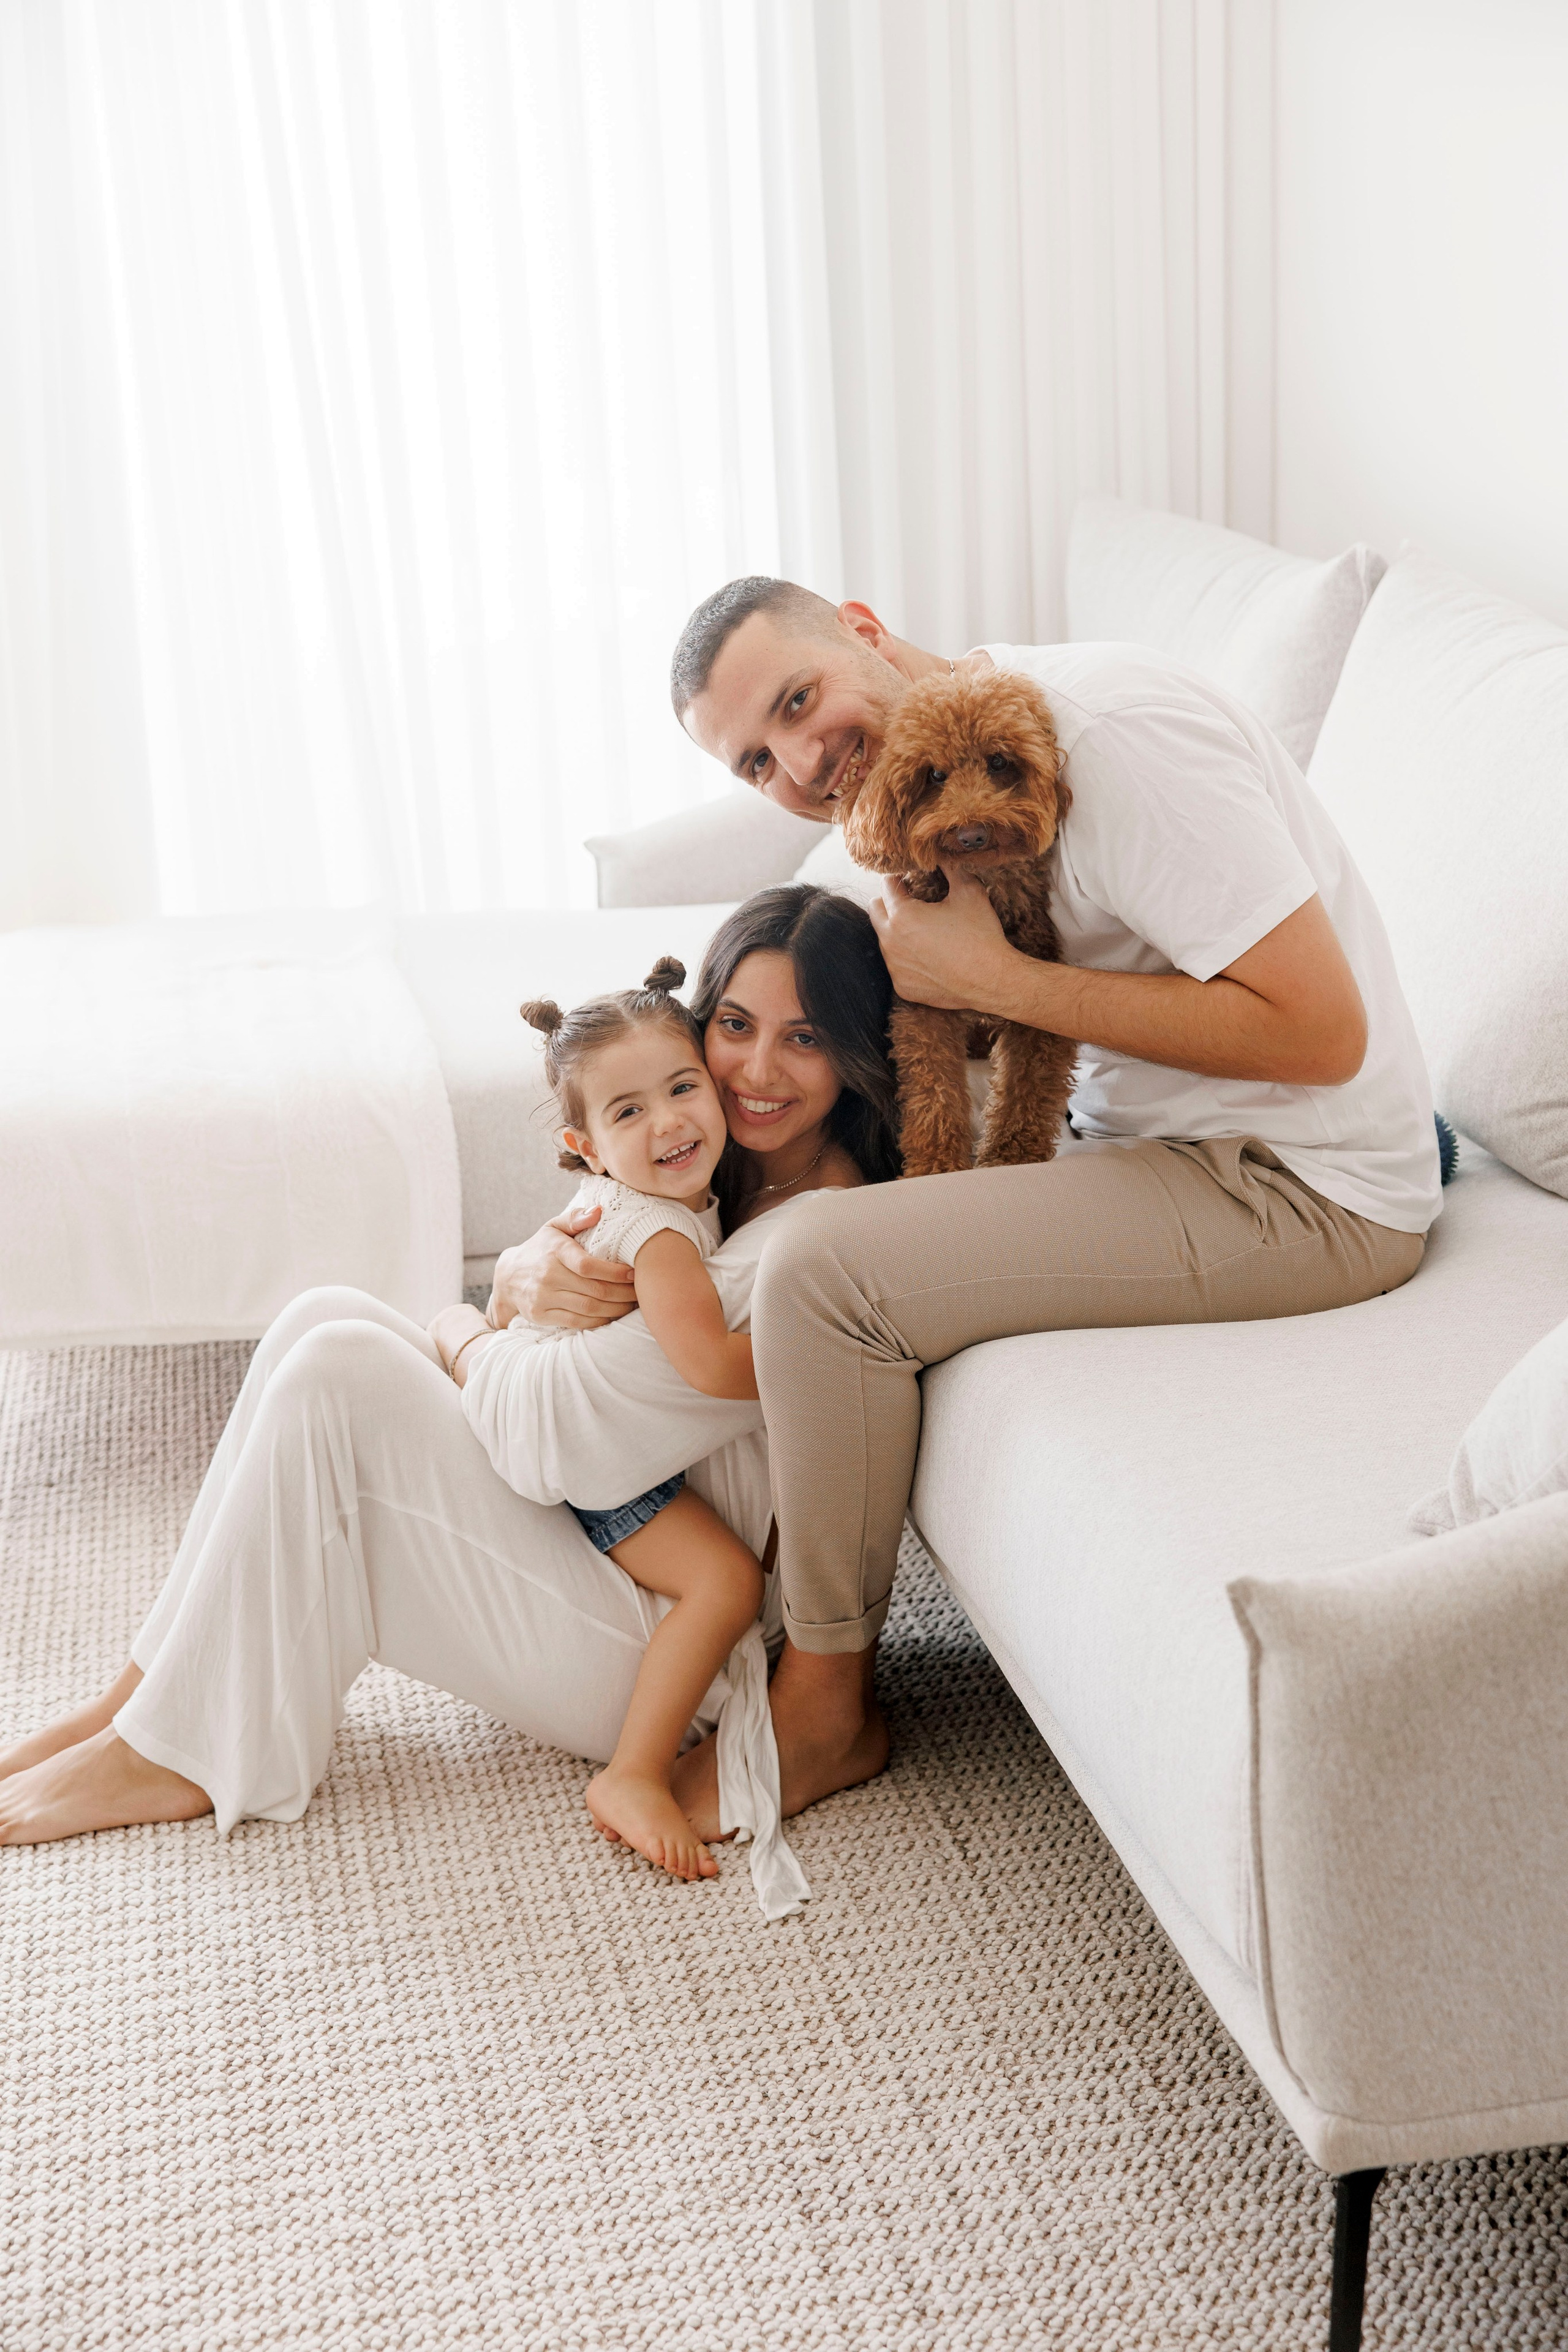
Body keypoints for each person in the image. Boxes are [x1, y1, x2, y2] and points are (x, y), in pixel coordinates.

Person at [495, 576, 1440, 1842]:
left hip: (1298, 1184)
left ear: (863, 628)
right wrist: (568, 1247)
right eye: (757, 762)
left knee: (825, 1269)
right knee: (840, 1214)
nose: (799, 765)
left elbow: (1323, 1034)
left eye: (797, 701)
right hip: (1143, 1141)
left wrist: (1000, 983)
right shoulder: (914, 795)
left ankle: (825, 1701)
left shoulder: (1112, 741)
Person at [0, 886, 899, 1915]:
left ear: (856, 1056)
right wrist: (515, 1281)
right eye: (735, 1025)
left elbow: (550, 1442)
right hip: (622, 1550)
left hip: (681, 1655)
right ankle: (145, 1700)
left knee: (344, 1369)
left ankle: (180, 1751)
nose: (755, 1070)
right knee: (322, 1317)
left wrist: (465, 1325)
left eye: (805, 1038)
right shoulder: (724, 1179)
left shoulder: (802, 1241)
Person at [438, 955, 770, 1885]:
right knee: (725, 1584)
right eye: (629, 1112)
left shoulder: (637, 1198)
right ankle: (634, 1774)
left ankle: (455, 1334)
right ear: (583, 1147)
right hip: (589, 1458)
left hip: (557, 1406)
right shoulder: (661, 1233)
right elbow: (710, 1367)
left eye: (682, 1088)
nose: (668, 1122)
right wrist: (837, 1344)